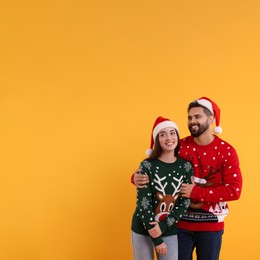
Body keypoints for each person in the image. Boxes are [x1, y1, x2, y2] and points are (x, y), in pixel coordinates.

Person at [132, 97, 243, 260]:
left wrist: (196, 192)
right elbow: (156, 165)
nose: (192, 121)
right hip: (179, 225)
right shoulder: (180, 145)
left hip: (211, 226)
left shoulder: (226, 151)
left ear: (211, 119)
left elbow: (234, 191)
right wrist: (135, 177)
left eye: (198, 117)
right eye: (190, 118)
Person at [131, 116, 193, 260]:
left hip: (168, 228)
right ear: (157, 140)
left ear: (177, 136)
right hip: (143, 228)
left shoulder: (186, 167)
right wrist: (157, 239)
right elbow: (143, 205)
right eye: (162, 134)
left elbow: (184, 202)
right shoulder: (147, 166)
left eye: (172, 133)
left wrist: (164, 226)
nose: (168, 137)